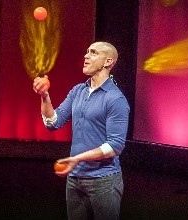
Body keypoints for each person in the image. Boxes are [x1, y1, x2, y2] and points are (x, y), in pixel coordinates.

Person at [33, 41, 130, 220]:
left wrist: (77, 159)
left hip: (104, 181)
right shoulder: (78, 91)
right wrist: (44, 96)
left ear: (108, 62)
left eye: (93, 53)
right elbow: (52, 122)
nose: (86, 56)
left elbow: (115, 146)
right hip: (75, 179)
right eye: (86, 52)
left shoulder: (115, 99)